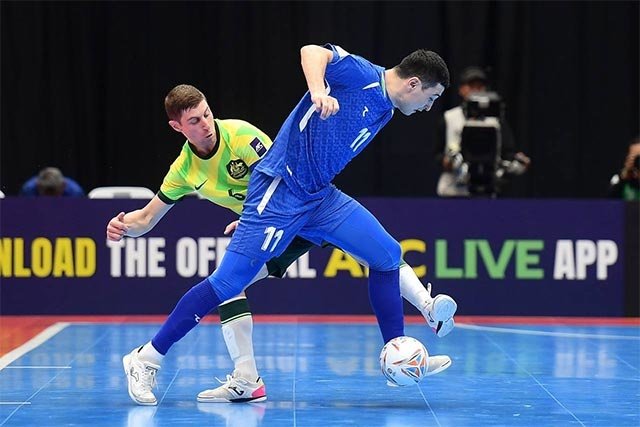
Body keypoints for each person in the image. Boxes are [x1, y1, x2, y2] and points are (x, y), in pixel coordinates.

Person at [120, 44, 452, 406]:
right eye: (431, 98)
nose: (428, 107)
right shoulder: (362, 75)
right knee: (228, 283)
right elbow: (312, 51)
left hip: (319, 197)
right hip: (280, 191)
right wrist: (319, 91)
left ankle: (397, 354)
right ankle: (146, 358)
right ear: (414, 84)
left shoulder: (386, 108)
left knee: (387, 255)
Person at [434, 66, 530, 197]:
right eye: (471, 86)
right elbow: (438, 153)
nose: (476, 90)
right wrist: (446, 162)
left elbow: (508, 152)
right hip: (453, 191)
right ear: (461, 89)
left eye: (479, 86)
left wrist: (517, 162)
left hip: (488, 190)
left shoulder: (496, 121)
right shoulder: (449, 118)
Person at [19, 166, 85, 197]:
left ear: (63, 185)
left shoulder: (75, 192)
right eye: (46, 192)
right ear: (38, 186)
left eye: (53, 191)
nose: (50, 198)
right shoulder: (28, 190)